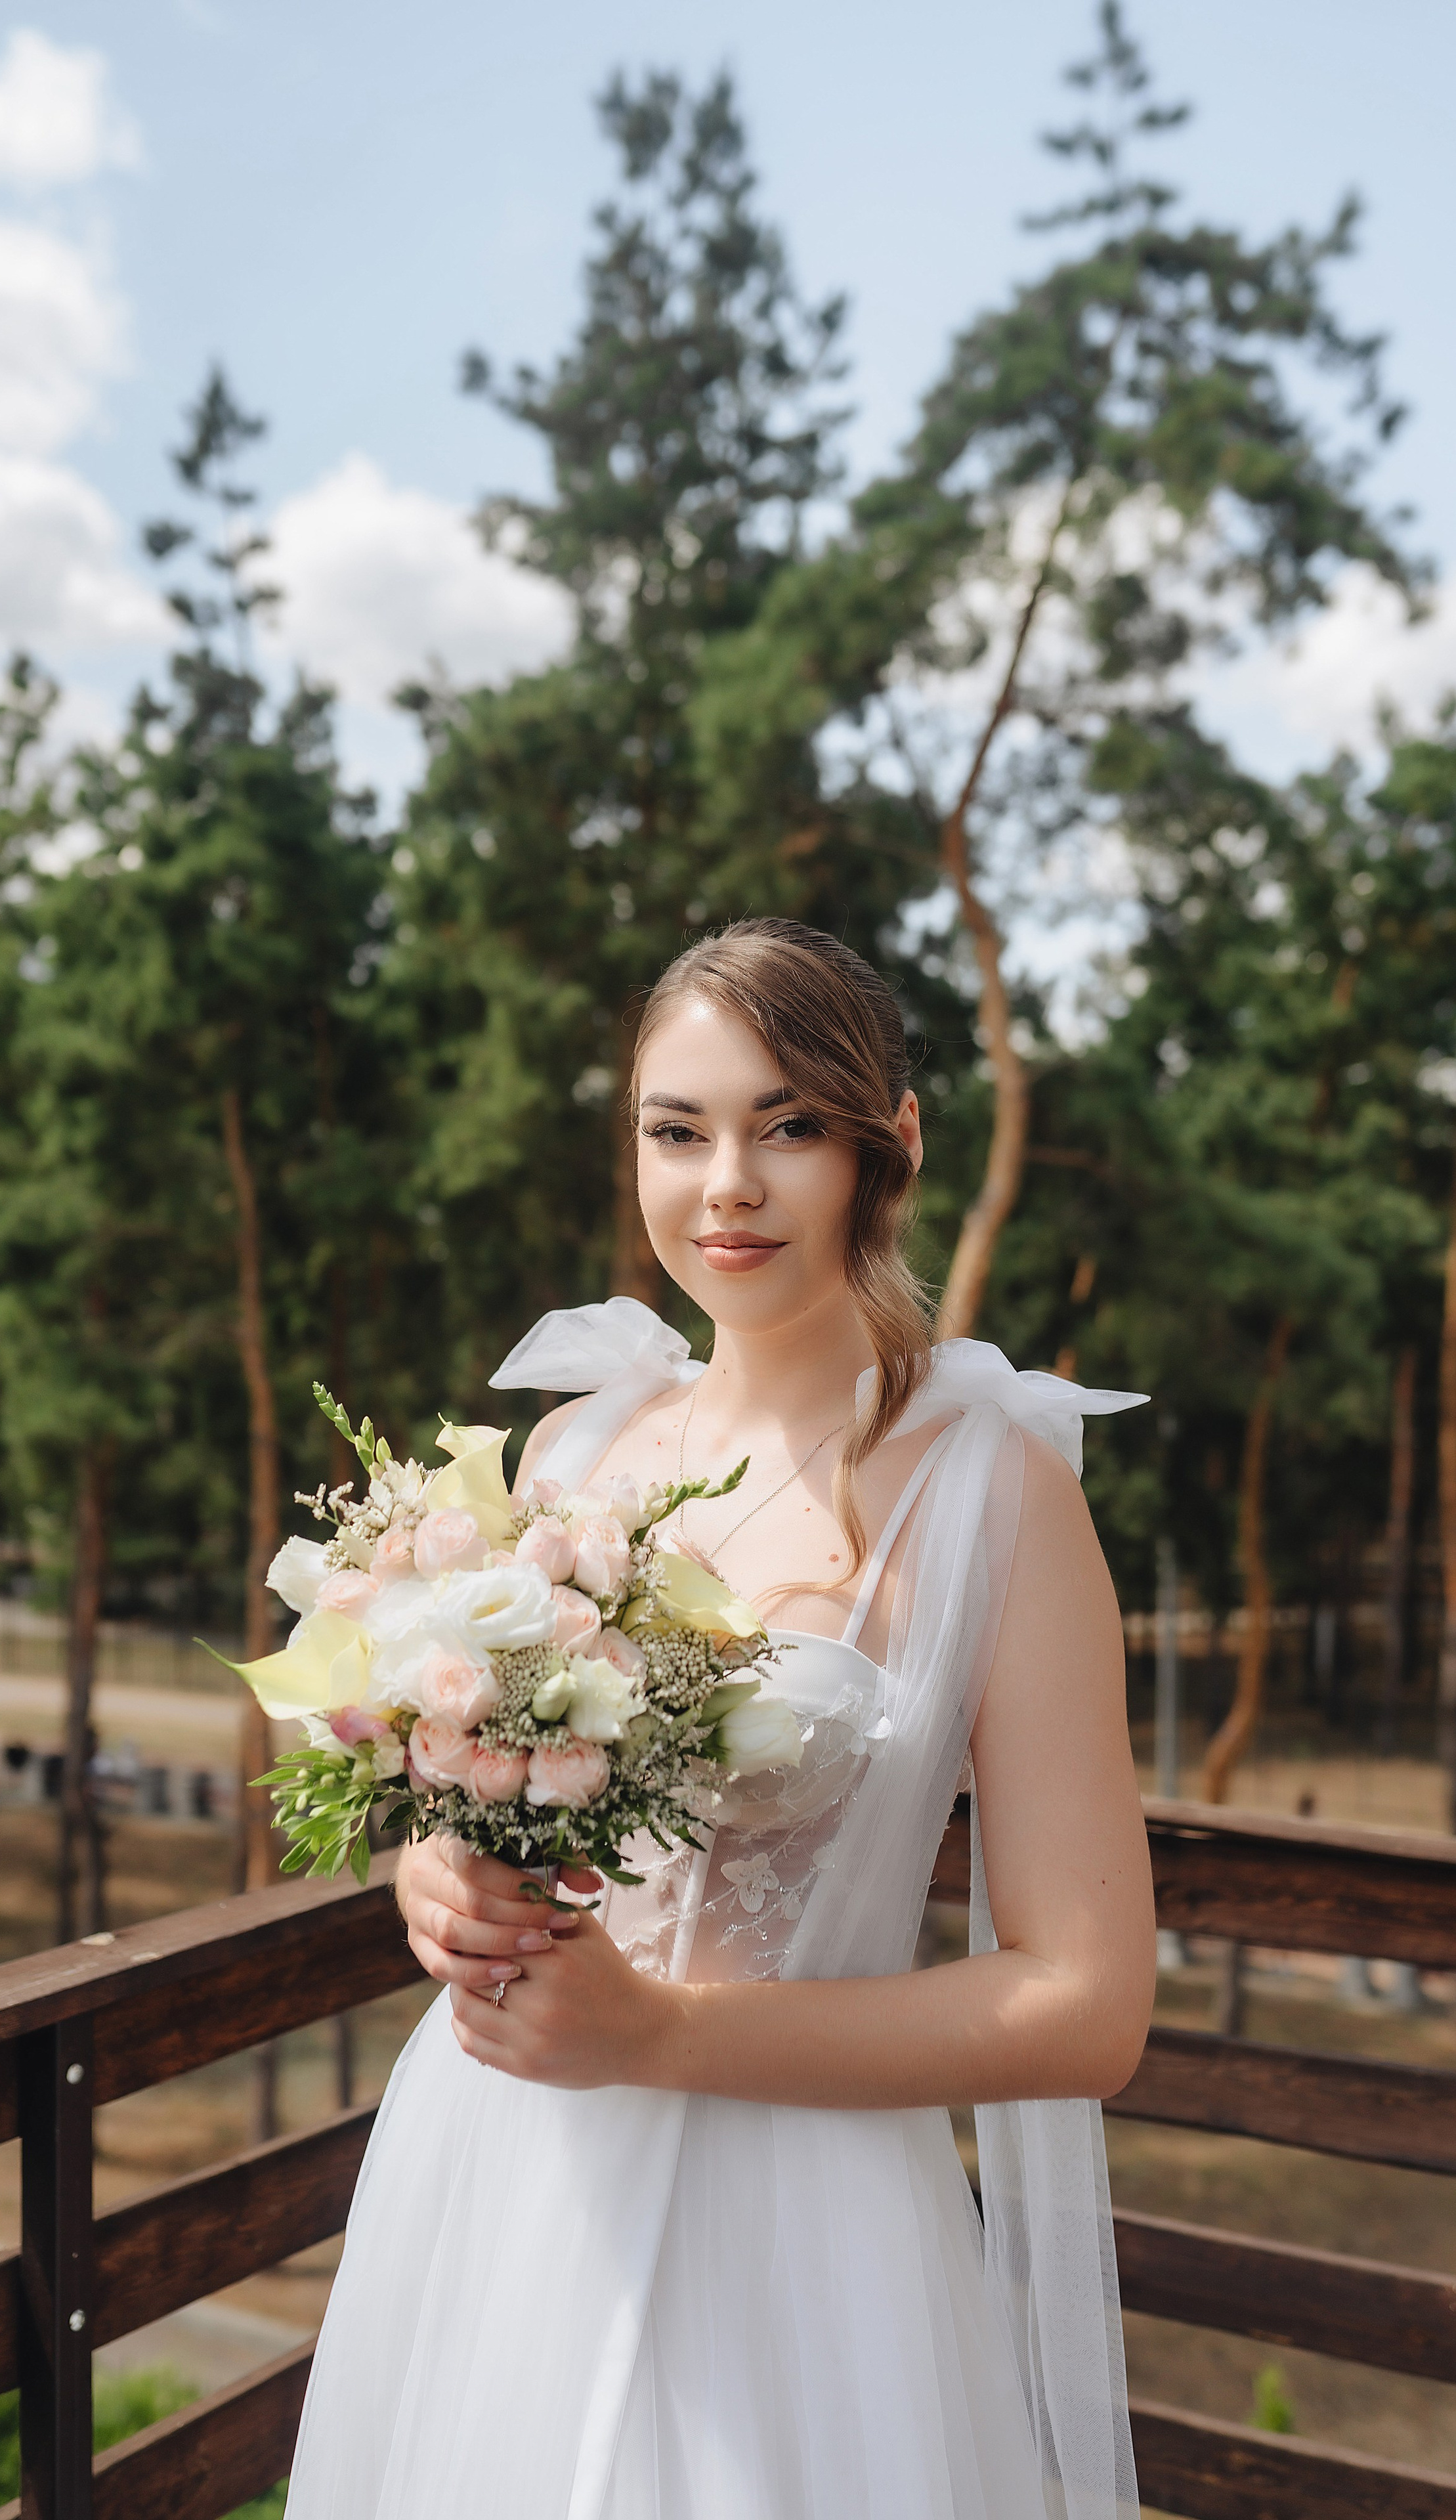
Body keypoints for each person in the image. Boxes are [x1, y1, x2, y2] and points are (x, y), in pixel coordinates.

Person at [285, 919, 1155, 2520]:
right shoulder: (569, 1457)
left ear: (893, 1142)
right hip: (505, 2177)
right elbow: (492, 1802)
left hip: (805, 2240)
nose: (724, 1186)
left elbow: (1087, 2006)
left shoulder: (994, 1494)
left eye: (787, 1126)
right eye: (675, 1130)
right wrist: (438, 1874)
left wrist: (665, 2035)